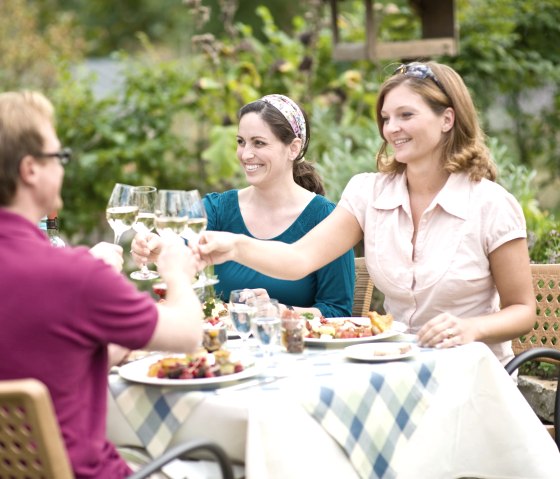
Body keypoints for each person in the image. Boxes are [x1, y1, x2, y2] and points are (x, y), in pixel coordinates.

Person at [194, 62, 535, 365]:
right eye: (386, 118)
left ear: (447, 118)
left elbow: (522, 311)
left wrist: (471, 327)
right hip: (396, 365)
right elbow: (298, 258)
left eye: (406, 115)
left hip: (472, 372)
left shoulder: (491, 205)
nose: (391, 129)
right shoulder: (368, 193)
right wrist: (235, 246)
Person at [0, 90, 203, 479]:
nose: (63, 168)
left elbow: (58, 361)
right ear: (30, 170)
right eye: (59, 157)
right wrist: (177, 272)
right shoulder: (72, 275)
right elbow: (188, 333)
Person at [133, 94, 355, 318]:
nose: (246, 154)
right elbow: (176, 241)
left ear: (293, 148)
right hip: (221, 350)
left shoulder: (327, 219)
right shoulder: (219, 208)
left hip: (296, 349)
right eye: (241, 142)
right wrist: (155, 246)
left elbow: (338, 311)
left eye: (259, 143)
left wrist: (280, 312)